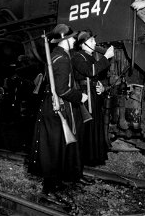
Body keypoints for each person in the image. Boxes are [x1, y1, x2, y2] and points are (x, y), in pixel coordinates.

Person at [28, 24, 88, 197]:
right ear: (66, 40)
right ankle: (49, 190)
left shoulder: (56, 55)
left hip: (53, 105)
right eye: (72, 38)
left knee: (56, 146)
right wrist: (80, 97)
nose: (74, 41)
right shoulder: (62, 59)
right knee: (54, 148)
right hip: (58, 106)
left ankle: (56, 184)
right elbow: (63, 89)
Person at [72, 30, 115, 166]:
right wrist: (106, 57)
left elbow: (94, 76)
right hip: (84, 97)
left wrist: (101, 87)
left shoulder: (89, 57)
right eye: (91, 41)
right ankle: (82, 160)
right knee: (86, 129)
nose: (95, 43)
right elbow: (90, 71)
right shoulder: (78, 57)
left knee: (94, 127)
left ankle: (92, 159)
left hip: (93, 96)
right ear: (83, 44)